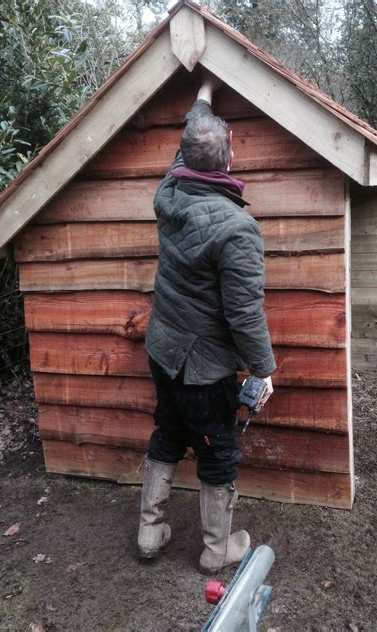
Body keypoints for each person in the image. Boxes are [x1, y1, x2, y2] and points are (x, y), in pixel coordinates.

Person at [137, 73, 276, 574]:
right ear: (231, 154)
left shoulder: (169, 191)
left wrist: (203, 95)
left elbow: (188, 142)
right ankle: (217, 550)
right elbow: (243, 312)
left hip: (162, 350)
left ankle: (149, 532)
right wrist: (262, 370)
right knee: (218, 453)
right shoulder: (238, 228)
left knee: (168, 431)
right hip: (203, 369)